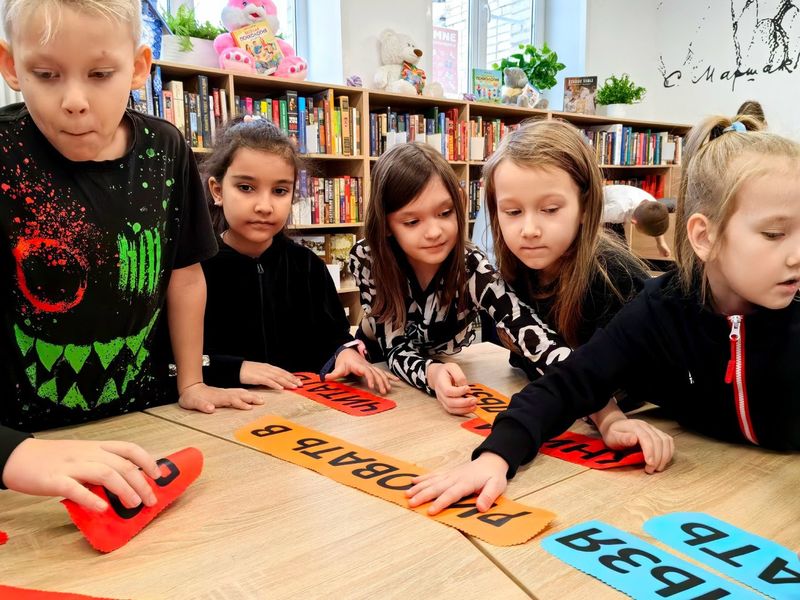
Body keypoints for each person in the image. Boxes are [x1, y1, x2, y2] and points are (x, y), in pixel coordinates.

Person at [407, 115, 800, 514]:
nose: (796, 254)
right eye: (774, 234)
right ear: (704, 236)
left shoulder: (617, 282)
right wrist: (496, 457)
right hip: (701, 491)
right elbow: (568, 383)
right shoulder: (660, 309)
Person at [0, 0, 251, 513]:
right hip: (23, 442)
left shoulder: (166, 148)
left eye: (99, 74)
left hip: (140, 421)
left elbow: (184, 274)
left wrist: (192, 381)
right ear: (11, 67)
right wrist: (11, 451)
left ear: (138, 67)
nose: (74, 100)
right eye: (46, 74)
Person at [483, 119, 672, 463]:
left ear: (585, 207)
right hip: (553, 415)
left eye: (550, 210)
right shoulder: (512, 275)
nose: (528, 229)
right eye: (512, 212)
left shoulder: (613, 279)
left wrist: (608, 416)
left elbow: (615, 382)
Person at [350, 142, 572, 415]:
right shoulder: (368, 257)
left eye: (445, 213)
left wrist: (595, 400)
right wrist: (432, 373)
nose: (434, 232)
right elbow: (395, 348)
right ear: (385, 225)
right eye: (412, 222)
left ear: (461, 202)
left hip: (439, 367)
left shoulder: (472, 267)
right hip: (376, 371)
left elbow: (530, 332)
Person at [201, 118, 395, 393]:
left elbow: (331, 339)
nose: (265, 206)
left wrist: (344, 354)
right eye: (246, 187)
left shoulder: (307, 266)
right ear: (217, 191)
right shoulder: (194, 270)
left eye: (280, 191)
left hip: (302, 412)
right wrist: (237, 368)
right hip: (222, 413)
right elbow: (172, 363)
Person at [603, 184, 672, 258]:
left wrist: (661, 243)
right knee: (617, 254)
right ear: (633, 221)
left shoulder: (653, 204)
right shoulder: (618, 209)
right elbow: (590, 218)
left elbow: (657, 220)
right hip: (596, 205)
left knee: (622, 254)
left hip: (612, 206)